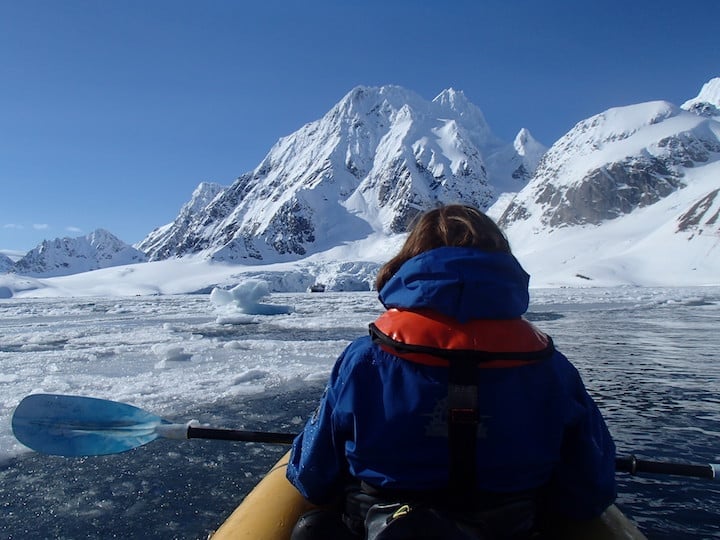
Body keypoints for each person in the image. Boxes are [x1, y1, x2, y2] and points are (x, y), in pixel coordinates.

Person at [286, 204, 616, 539]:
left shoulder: (363, 360)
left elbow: (313, 478)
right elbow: (589, 493)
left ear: (409, 264)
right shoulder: (553, 369)